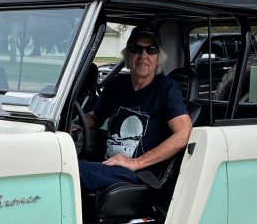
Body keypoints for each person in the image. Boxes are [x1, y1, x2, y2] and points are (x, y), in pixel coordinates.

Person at [78, 25, 192, 192]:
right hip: (109, 165)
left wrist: (136, 162)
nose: (143, 55)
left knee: (70, 172)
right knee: (62, 161)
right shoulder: (116, 85)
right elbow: (95, 117)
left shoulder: (166, 88)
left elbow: (183, 134)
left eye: (151, 50)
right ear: (128, 55)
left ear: (158, 57)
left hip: (140, 173)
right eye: (136, 49)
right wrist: (74, 122)